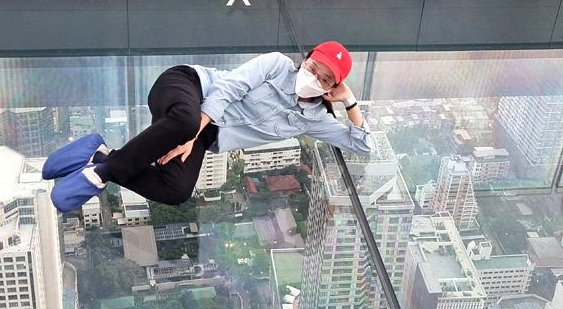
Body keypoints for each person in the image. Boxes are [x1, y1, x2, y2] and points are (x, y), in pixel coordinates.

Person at [43, 41, 372, 212]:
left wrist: (350, 102)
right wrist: (194, 132)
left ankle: (99, 153)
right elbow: (229, 90)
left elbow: (363, 145)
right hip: (188, 88)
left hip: (200, 133)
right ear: (306, 59)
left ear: (332, 86)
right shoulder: (276, 64)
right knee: (186, 121)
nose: (314, 77)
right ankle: (100, 174)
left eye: (325, 79)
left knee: (177, 191)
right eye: (313, 67)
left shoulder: (314, 119)